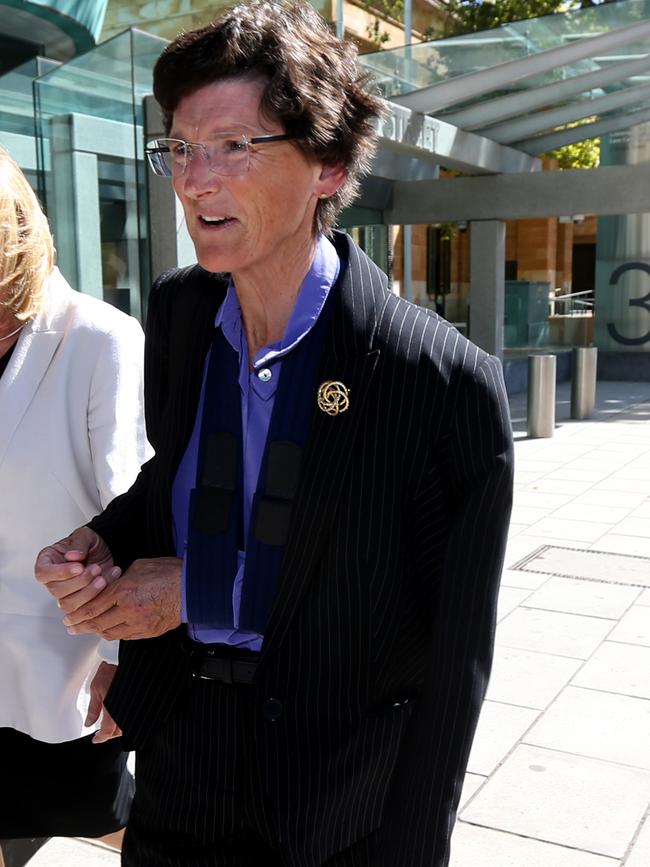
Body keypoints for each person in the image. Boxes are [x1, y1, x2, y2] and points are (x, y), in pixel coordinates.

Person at [34, 2, 514, 865]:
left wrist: (196, 593)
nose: (193, 179)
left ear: (328, 164)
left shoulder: (439, 384)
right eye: (180, 148)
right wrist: (98, 544)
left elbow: (444, 664)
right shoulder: (182, 311)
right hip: (182, 774)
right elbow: (171, 483)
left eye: (233, 147)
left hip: (334, 806)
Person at [0, 146, 149, 843]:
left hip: (65, 665)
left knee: (118, 821)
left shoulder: (99, 339)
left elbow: (132, 509)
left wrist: (129, 664)